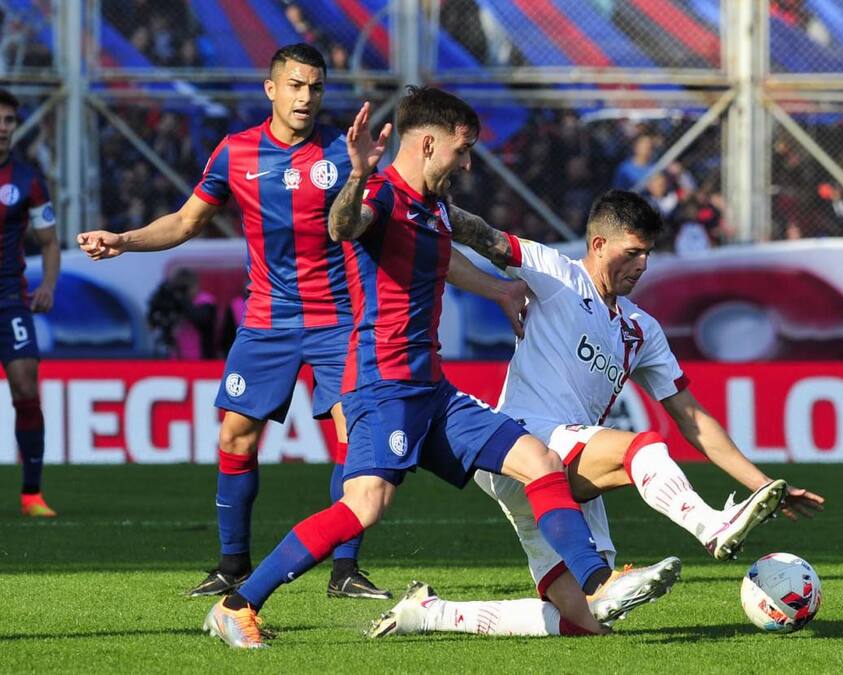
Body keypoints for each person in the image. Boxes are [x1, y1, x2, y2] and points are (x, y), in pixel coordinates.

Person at [200, 87, 681, 649]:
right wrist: (355, 175)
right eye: (463, 149)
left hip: (433, 388)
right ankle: (237, 605)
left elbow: (443, 257)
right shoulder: (379, 194)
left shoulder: (431, 209)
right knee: (366, 505)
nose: (468, 162)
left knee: (539, 459)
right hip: (383, 385)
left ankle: (598, 582)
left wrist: (498, 290)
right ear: (428, 143)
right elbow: (342, 226)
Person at [368, 190, 826, 638]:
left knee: (588, 618)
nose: (642, 265)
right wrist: (421, 205)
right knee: (642, 448)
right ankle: (710, 525)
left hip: (559, 475)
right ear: (598, 244)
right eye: (633, 253)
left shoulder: (641, 329)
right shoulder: (555, 272)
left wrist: (762, 486)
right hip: (521, 442)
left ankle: (428, 613)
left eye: (648, 254)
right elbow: (484, 236)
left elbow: (693, 418)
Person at [77, 44, 405, 600]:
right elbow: (185, 222)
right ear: (271, 89)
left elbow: (358, 228)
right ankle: (232, 564)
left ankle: (345, 570)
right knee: (235, 434)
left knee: (356, 441)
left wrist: (358, 174)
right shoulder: (236, 153)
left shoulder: (344, 151)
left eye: (316, 87)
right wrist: (124, 240)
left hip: (339, 321)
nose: (306, 97)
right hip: (267, 320)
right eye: (296, 86)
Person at [0, 88, 59, 517]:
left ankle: (32, 494)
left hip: (10, 299)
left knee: (25, 387)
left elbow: (50, 242)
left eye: (8, 120)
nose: (3, 127)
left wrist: (49, 286)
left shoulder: (27, 179)